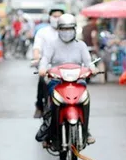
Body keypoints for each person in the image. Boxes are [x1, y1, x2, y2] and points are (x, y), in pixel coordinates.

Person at [37, 13, 96, 147]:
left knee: (85, 99)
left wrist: (92, 68)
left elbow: (88, 61)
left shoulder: (81, 45)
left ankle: (86, 131)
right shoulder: (52, 44)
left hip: (77, 81)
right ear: (58, 29)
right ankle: (49, 129)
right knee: (52, 101)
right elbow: (45, 59)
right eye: (64, 28)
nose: (67, 32)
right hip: (57, 81)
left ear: (75, 29)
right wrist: (42, 68)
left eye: (69, 28)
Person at [31, 8, 64, 118]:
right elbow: (37, 47)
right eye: (54, 16)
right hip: (47, 66)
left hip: (66, 67)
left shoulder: (68, 31)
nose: (57, 18)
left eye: (59, 16)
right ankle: (39, 106)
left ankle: (85, 130)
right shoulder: (43, 32)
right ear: (50, 17)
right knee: (42, 80)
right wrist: (36, 56)